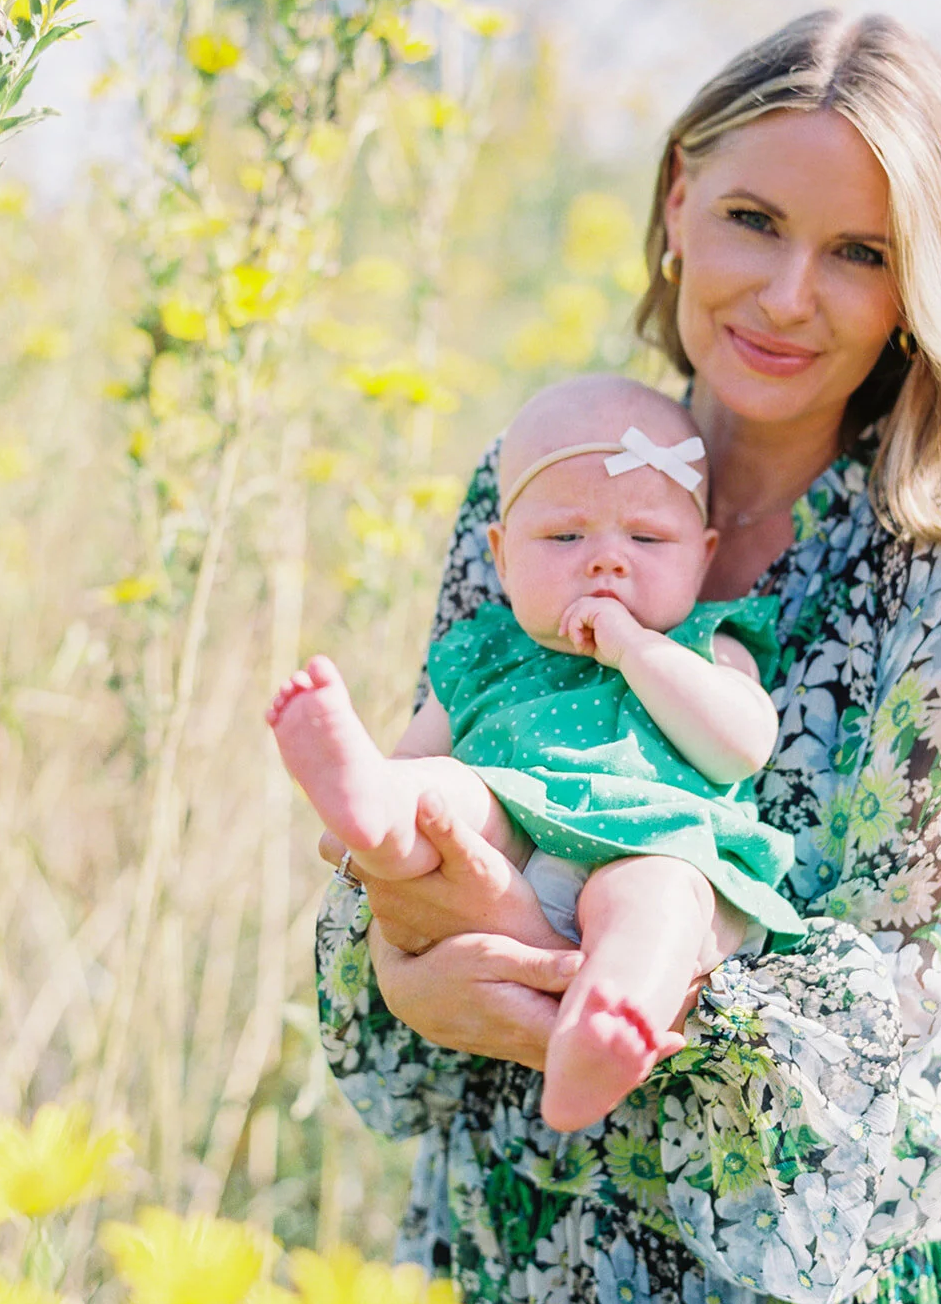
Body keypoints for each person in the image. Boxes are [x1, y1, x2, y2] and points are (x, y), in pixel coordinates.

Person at [313, 11, 941, 1304]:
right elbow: (420, 816)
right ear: (679, 200)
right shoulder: (545, 475)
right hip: (506, 1289)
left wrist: (549, 970)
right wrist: (393, 966)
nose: (788, 295)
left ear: (914, 287)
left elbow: (928, 1050)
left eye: (859, 252)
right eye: (754, 220)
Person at [271, 375, 804, 1132]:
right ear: (501, 555)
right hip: (508, 837)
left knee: (652, 902)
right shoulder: (483, 651)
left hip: (657, 842)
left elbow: (741, 748)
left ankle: (608, 1025)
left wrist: (635, 649)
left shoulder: (702, 644)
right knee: (443, 793)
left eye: (647, 539)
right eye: (564, 538)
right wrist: (394, 784)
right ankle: (369, 817)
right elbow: (423, 753)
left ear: (702, 555)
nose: (607, 561)